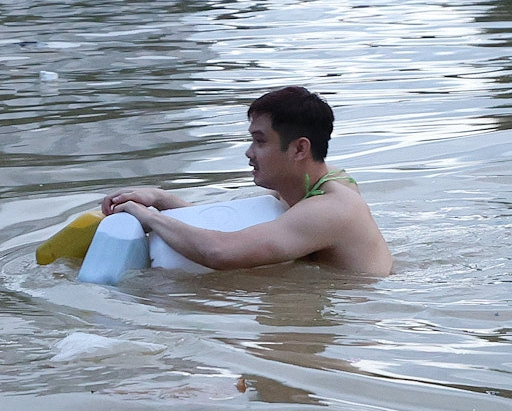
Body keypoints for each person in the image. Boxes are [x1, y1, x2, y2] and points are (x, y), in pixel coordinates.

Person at [103, 86, 393, 276]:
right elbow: (230, 232)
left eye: (260, 141)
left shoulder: (330, 208)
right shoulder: (314, 187)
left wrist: (149, 218)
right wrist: (160, 199)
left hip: (358, 317)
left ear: (299, 149)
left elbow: (220, 252)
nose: (249, 153)